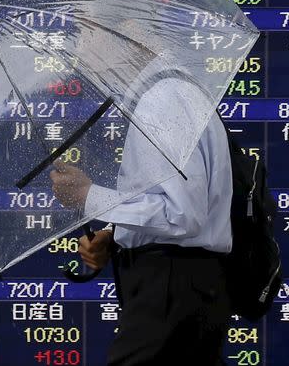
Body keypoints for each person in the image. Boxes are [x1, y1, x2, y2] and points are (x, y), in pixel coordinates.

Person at [50, 65, 234, 366]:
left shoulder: (163, 98)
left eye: (85, 28)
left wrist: (87, 196)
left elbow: (183, 215)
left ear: (127, 26)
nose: (80, 43)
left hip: (171, 287)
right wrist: (116, 236)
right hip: (181, 287)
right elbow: (176, 203)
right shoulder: (167, 92)